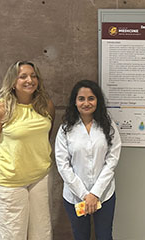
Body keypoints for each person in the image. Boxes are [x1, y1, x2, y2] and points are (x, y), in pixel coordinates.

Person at [0, 61, 55, 240]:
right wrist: (7, 167)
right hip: (9, 183)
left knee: (42, 234)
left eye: (33, 76)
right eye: (23, 76)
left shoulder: (45, 106)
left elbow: (44, 137)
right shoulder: (0, 109)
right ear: (13, 82)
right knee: (12, 236)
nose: (30, 80)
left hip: (39, 177)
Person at [55, 80, 121, 240]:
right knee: (81, 236)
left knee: (105, 236)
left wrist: (95, 193)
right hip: (75, 197)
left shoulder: (108, 126)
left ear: (97, 101)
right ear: (75, 102)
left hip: (104, 194)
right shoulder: (65, 129)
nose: (86, 103)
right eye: (81, 99)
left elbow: (112, 161)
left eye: (91, 98)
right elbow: (63, 166)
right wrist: (85, 195)